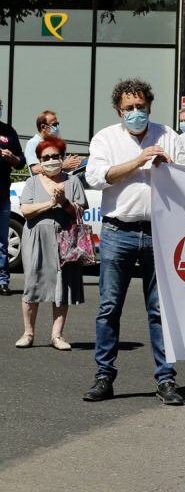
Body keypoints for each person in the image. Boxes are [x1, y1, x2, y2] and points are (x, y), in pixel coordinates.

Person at [83, 78, 185, 404]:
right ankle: (104, 376)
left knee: (160, 310)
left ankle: (166, 380)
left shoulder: (168, 136)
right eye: (129, 108)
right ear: (118, 110)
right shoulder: (105, 138)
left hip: (160, 231)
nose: (136, 113)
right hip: (118, 232)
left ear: (149, 107)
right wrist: (138, 161)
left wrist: (168, 165)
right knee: (109, 307)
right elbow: (96, 177)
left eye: (141, 107)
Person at [15, 136, 86, 350]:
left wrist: (64, 202)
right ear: (39, 160)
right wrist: (50, 203)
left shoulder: (72, 181)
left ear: (62, 157)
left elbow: (79, 211)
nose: (51, 160)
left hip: (65, 238)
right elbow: (26, 211)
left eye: (56, 156)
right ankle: (28, 333)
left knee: (62, 285)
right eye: (46, 157)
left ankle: (57, 335)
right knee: (33, 283)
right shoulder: (32, 182)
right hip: (36, 238)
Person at [0, 101, 25, 297]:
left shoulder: (8, 132)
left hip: (2, 195)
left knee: (2, 241)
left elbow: (21, 162)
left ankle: (2, 281)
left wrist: (12, 158)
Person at [25, 110, 80, 175]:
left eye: (57, 124)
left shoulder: (57, 143)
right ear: (43, 127)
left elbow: (64, 167)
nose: (57, 128)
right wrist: (62, 165)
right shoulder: (33, 143)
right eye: (54, 124)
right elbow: (36, 169)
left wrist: (72, 162)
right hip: (43, 184)